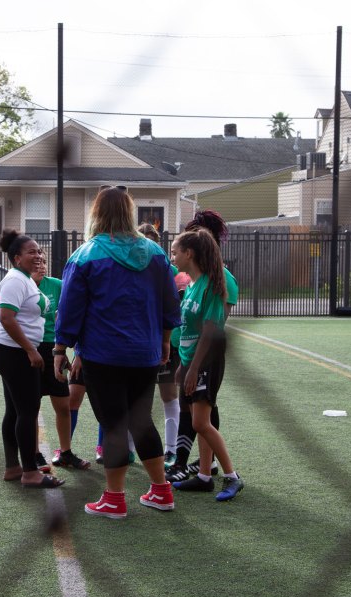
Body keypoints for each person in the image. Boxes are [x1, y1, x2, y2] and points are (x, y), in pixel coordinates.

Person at [54, 186, 181, 519]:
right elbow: (170, 304)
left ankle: (114, 498)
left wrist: (60, 348)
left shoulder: (86, 255)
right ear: (130, 211)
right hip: (145, 353)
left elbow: (70, 309)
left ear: (96, 213)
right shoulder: (155, 253)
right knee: (141, 421)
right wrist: (165, 341)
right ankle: (161, 491)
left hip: (103, 354)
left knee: (113, 424)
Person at [0, 257, 90, 471]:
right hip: (29, 350)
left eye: (44, 261)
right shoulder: (18, 285)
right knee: (30, 407)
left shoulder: (57, 285)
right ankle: (34, 455)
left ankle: (65, 452)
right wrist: (12, 325)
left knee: (63, 404)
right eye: (35, 262)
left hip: (55, 350)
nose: (41, 266)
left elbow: (76, 307)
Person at [168, 229, 244, 502]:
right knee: (201, 422)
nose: (172, 256)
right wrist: (183, 364)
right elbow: (189, 329)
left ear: (189, 254)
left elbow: (211, 329)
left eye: (175, 251)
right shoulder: (192, 284)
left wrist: (195, 367)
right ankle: (203, 476)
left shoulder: (213, 284)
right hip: (192, 362)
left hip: (207, 362)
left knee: (201, 422)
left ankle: (232, 477)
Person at [0, 229, 65, 488]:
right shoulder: (15, 280)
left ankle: (13, 467)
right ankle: (30, 472)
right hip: (14, 352)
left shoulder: (25, 279)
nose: (38, 255)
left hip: (13, 351)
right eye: (31, 251)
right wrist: (30, 350)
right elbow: (6, 318)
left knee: (15, 411)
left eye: (39, 251)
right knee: (27, 411)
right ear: (16, 257)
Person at [138, 222, 186, 468]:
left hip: (164, 342)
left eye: (151, 241)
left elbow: (174, 308)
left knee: (168, 395)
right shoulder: (130, 269)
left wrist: (166, 339)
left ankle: (171, 450)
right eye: (142, 240)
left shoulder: (167, 270)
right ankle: (127, 449)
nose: (147, 245)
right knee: (135, 398)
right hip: (137, 342)